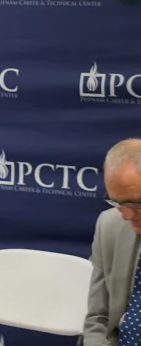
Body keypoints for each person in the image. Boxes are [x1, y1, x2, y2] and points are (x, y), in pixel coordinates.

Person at [84, 138, 141, 346]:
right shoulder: (109, 226)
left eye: (136, 203)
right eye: (118, 202)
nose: (126, 215)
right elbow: (98, 320)